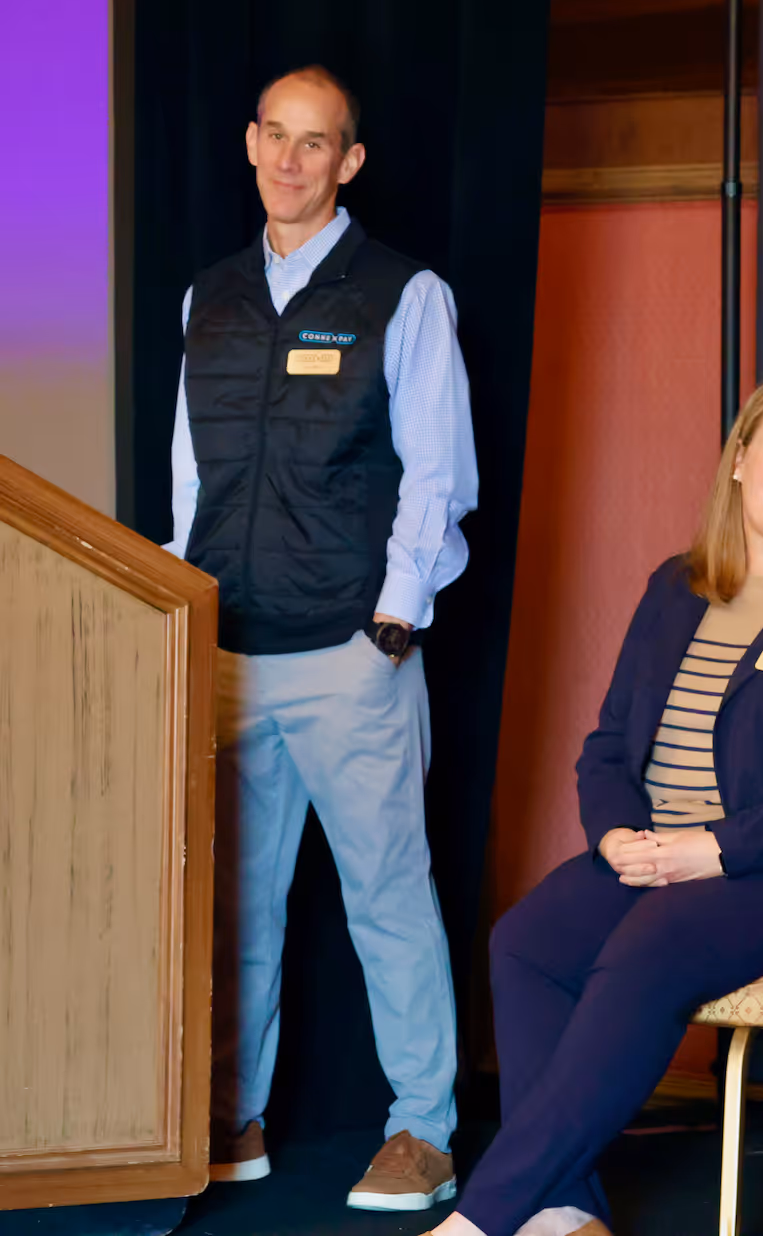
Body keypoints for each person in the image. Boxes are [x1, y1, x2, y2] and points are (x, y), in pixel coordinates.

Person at [426, 375, 763, 1236]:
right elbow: (609, 744)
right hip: (662, 851)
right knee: (524, 940)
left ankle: (481, 1220)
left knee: (652, 944)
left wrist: (710, 849)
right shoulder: (674, 587)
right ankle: (566, 1212)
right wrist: (613, 836)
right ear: (740, 464)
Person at [164, 64, 477, 1209]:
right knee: (233, 904)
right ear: (250, 143)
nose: (291, 162)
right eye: (275, 138)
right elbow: (191, 479)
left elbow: (437, 476)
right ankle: (227, 1116)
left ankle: (423, 1128)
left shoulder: (404, 293)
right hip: (227, 654)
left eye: (318, 144)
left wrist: (392, 619)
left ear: (348, 162)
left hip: (351, 654)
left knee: (386, 894)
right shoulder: (210, 298)